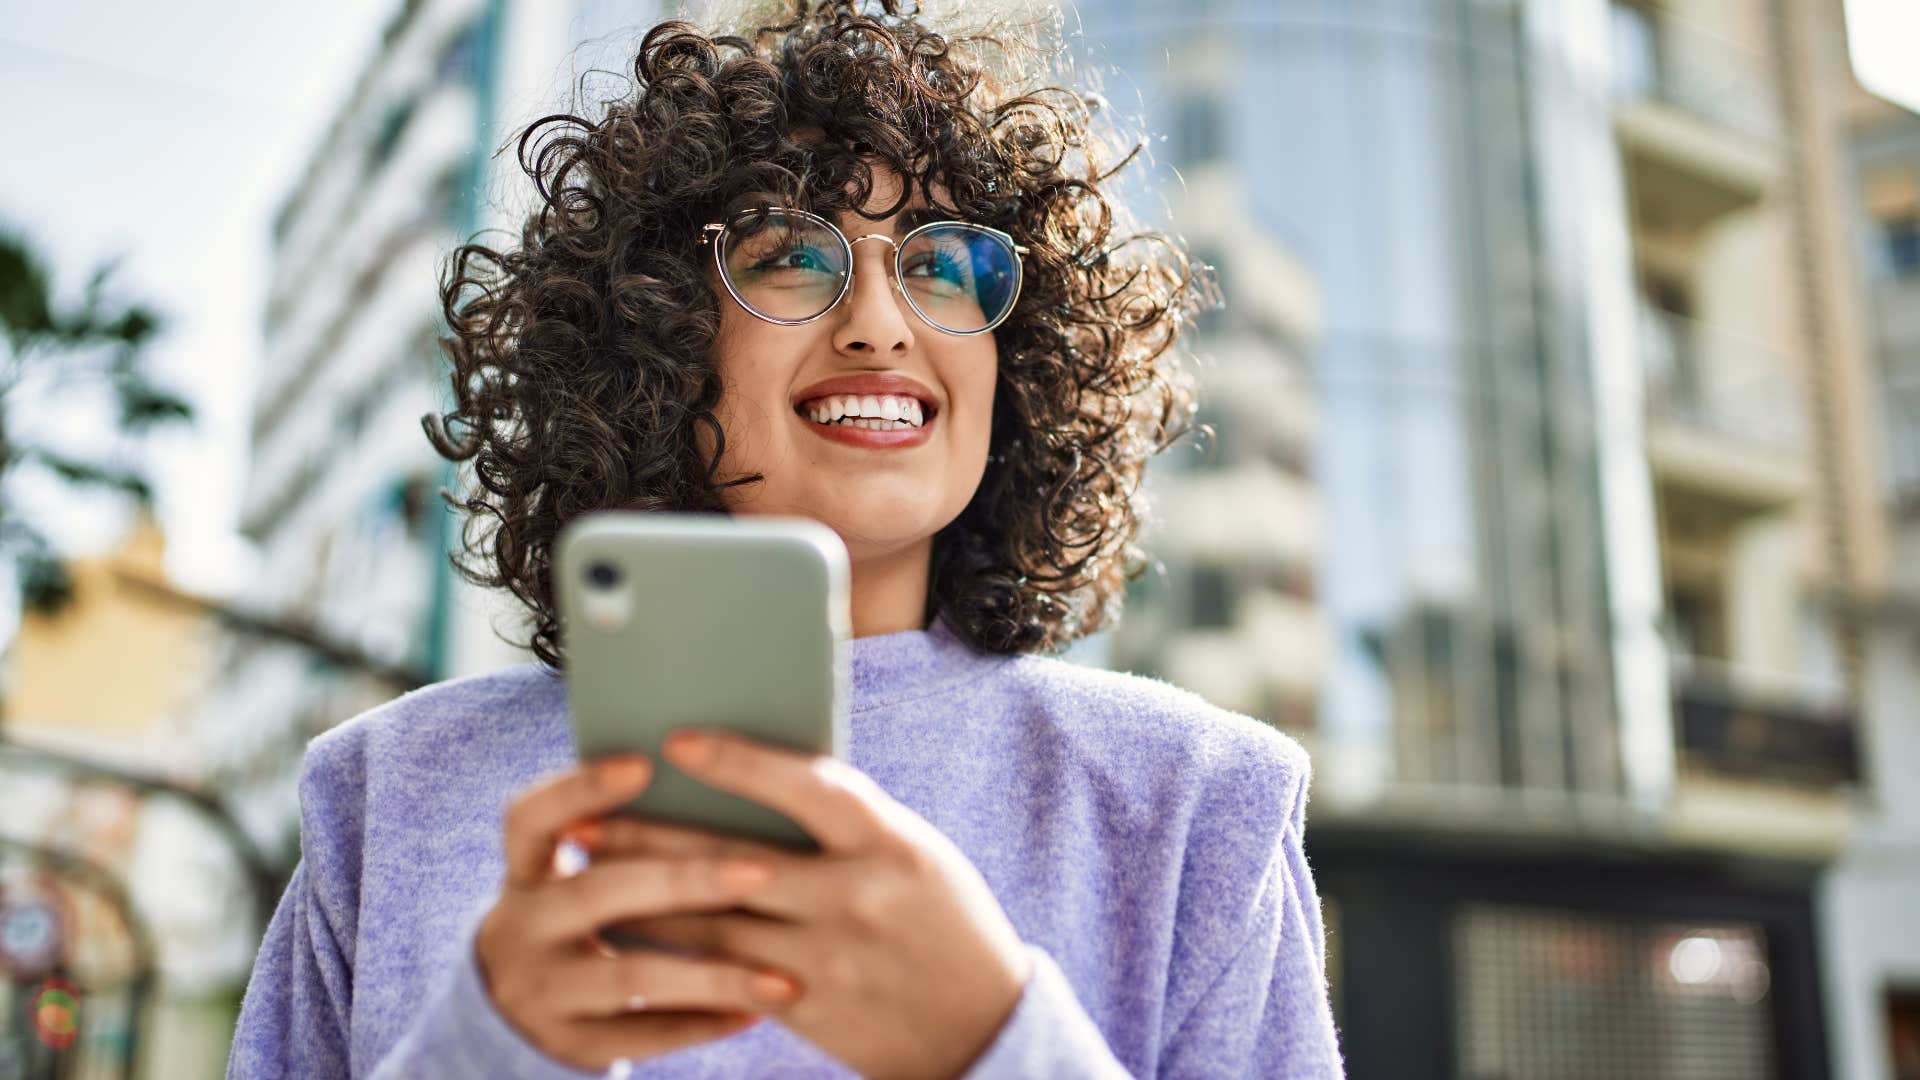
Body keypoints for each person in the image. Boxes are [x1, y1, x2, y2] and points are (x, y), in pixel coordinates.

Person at [226, 1, 1343, 1076]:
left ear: (1019, 366)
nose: (878, 318)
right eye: (792, 256)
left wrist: (991, 1042)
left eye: (947, 262)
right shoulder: (390, 791)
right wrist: (489, 1052)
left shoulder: (1198, 804)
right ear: (660, 332)